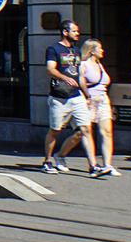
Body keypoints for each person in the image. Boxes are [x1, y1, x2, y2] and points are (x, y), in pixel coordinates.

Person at [42, 20, 98, 173]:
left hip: (76, 96)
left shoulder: (77, 51)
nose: (77, 34)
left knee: (85, 129)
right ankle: (47, 161)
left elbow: (79, 75)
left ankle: (93, 166)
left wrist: (87, 95)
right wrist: (64, 77)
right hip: (59, 97)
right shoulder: (53, 49)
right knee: (55, 130)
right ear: (65, 32)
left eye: (77, 31)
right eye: (74, 31)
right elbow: (50, 69)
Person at [79, 38, 121, 178]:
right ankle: (91, 164)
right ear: (92, 51)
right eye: (100, 48)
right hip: (89, 101)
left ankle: (107, 164)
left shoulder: (100, 65)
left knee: (107, 132)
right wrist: (87, 97)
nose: (102, 51)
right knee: (84, 132)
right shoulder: (84, 64)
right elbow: (81, 82)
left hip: (103, 100)